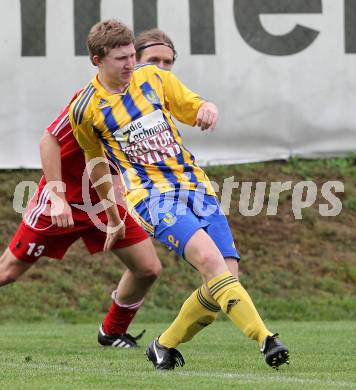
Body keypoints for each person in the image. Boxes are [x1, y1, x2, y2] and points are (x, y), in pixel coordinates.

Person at [69, 19, 290, 370]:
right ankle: (266, 339)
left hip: (195, 187)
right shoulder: (85, 109)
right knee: (211, 264)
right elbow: (96, 163)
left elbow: (193, 105)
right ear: (97, 60)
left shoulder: (153, 78)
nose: (130, 64)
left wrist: (207, 108)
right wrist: (113, 216)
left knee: (224, 282)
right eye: (120, 59)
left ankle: (163, 345)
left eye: (130, 56)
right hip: (152, 197)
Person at [0, 91, 162, 348]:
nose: (160, 66)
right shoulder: (90, 100)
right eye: (153, 60)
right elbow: (48, 141)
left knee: (148, 268)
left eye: (167, 61)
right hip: (63, 202)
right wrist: (57, 197)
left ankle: (112, 332)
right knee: (7, 272)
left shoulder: (149, 103)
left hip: (104, 202)